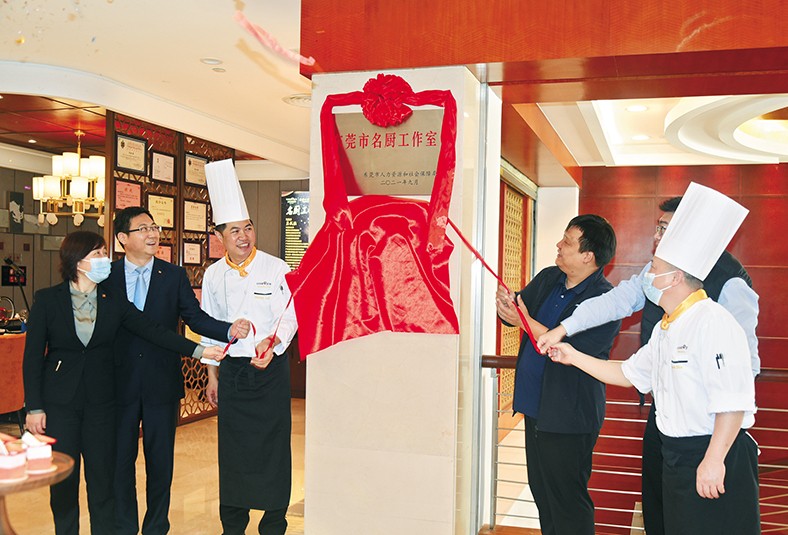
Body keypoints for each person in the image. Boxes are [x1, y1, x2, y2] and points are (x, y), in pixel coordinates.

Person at [537, 196, 759, 535]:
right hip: (674, 445)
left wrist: (714, 459)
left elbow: (733, 398)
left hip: (713, 446)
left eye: (654, 268)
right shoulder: (668, 326)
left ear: (675, 278)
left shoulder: (715, 319)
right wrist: (571, 352)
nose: (647, 275)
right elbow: (628, 372)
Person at [23, 231, 225, 535]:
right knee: (63, 481)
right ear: (77, 261)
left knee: (103, 481)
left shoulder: (112, 299)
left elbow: (152, 330)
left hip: (102, 404)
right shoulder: (48, 300)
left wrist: (199, 351)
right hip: (60, 404)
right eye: (97, 254)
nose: (105, 260)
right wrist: (35, 407)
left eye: (105, 252)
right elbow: (32, 358)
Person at [108, 206, 251, 535]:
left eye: (154, 227)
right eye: (143, 229)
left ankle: (156, 527)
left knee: (161, 464)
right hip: (116, 383)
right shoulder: (107, 276)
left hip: (161, 382)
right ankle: (124, 527)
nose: (152, 234)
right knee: (119, 463)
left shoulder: (172, 276)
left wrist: (228, 329)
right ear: (123, 238)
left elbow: (195, 318)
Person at [496, 214, 621, 535]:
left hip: (569, 415)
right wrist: (507, 308)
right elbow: (519, 313)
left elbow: (565, 348)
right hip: (535, 408)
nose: (559, 245)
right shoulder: (550, 278)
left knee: (568, 501)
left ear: (588, 255)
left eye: (567, 241)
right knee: (543, 494)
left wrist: (523, 319)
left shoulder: (605, 301)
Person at [200, 159, 298, 535]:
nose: (244, 236)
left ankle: (274, 523)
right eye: (235, 230)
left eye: (248, 228)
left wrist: (274, 340)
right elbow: (209, 328)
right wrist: (212, 376)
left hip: (269, 371)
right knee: (233, 450)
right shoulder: (213, 275)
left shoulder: (275, 268)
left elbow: (290, 315)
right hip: (234, 373)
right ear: (220, 237)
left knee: (273, 447)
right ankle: (233, 525)